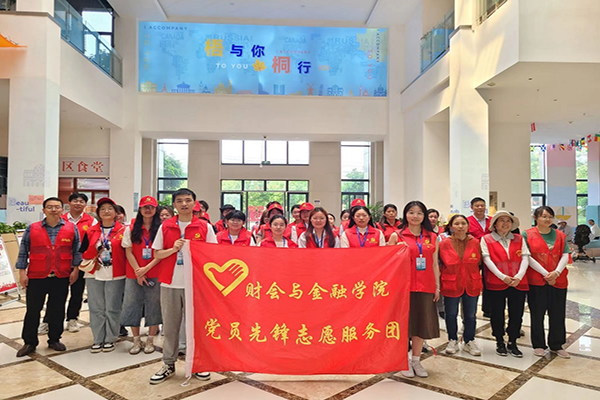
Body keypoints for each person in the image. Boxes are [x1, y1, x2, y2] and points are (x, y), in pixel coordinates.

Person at [150, 188, 217, 384]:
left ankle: (197, 364)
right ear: (174, 205)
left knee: (196, 327)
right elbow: (157, 254)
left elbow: (212, 255)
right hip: (170, 282)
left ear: (195, 203)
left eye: (188, 200)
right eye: (179, 201)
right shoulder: (166, 226)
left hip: (196, 284)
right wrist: (173, 249)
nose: (184, 204)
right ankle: (168, 364)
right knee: (170, 326)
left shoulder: (204, 227)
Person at [15, 197, 82, 357]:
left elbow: (76, 251)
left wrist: (76, 270)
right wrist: (22, 273)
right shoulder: (33, 228)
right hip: (37, 275)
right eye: (50, 207)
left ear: (62, 210)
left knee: (57, 309)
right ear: (44, 210)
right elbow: (23, 251)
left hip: (61, 274)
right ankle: (29, 342)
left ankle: (54, 339)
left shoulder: (71, 228)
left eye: (57, 207)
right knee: (33, 309)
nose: (54, 210)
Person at [388, 201, 440, 378]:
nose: (415, 216)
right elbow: (389, 264)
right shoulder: (397, 236)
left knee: (421, 324)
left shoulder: (432, 237)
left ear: (424, 216)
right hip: (403, 288)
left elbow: (434, 264)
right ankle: (403, 360)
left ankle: (416, 360)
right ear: (405, 215)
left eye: (419, 213)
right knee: (404, 325)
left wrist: (437, 287)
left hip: (426, 286)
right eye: (411, 212)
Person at [39, 192, 95, 335]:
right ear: (68, 203)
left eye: (81, 201)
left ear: (85, 204)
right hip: (58, 263)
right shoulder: (60, 218)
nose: (78, 203)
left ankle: (72, 319)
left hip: (80, 262)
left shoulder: (91, 221)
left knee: (77, 293)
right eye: (75, 200)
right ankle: (48, 321)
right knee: (55, 293)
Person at [80, 197, 127, 353]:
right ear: (98, 213)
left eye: (110, 208)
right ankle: (98, 338)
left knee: (113, 307)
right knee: (96, 308)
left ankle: (111, 338)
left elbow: (128, 253)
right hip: (94, 273)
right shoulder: (91, 230)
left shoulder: (123, 230)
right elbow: (83, 251)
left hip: (116, 274)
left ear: (115, 212)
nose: (106, 211)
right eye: (103, 209)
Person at [481, 210, 529, 358]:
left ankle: (513, 341)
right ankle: (500, 341)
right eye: (501, 220)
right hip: (496, 281)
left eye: (508, 221)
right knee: (497, 313)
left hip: (518, 282)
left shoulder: (519, 238)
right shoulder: (486, 239)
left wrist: (519, 276)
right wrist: (503, 277)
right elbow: (487, 260)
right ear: (495, 224)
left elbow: (525, 257)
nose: (505, 223)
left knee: (517, 313)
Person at [524, 206, 571, 358]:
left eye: (550, 216)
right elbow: (527, 256)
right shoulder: (527, 234)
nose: (547, 219)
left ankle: (557, 344)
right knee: (537, 313)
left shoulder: (559, 235)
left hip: (558, 280)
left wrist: (556, 272)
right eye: (544, 216)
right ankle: (538, 344)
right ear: (535, 217)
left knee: (557, 313)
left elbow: (565, 254)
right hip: (537, 280)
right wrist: (545, 274)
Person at [121, 196, 163, 355]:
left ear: (156, 209)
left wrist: (146, 269)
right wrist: (138, 271)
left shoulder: (161, 228)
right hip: (134, 273)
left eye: (151, 207)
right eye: (145, 207)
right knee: (133, 305)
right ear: (140, 209)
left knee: (154, 305)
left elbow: (161, 253)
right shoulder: (131, 228)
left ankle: (150, 339)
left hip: (155, 272)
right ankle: (136, 340)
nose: (148, 210)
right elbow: (128, 251)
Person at [438, 214, 482, 356]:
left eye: (463, 223)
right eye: (457, 224)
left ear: (468, 226)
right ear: (451, 226)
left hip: (471, 282)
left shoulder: (475, 243)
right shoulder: (443, 244)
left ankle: (469, 340)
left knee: (470, 315)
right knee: (451, 314)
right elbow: (439, 264)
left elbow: (480, 262)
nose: (460, 226)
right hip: (451, 283)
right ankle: (452, 339)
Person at [467, 197, 492, 318]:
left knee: (489, 281)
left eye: (482, 205)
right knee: (474, 281)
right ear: (472, 207)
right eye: (477, 206)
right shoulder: (467, 221)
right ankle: (470, 310)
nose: (480, 208)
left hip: (491, 254)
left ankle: (488, 308)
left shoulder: (492, 220)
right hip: (473, 255)